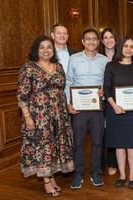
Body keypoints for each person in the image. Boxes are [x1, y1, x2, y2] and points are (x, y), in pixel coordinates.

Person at [18, 36, 74, 197]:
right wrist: (27, 117)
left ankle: (51, 177)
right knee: (44, 147)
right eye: (42, 47)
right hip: (40, 116)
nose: (46, 50)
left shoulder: (58, 66)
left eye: (49, 47)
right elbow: (22, 96)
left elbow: (62, 88)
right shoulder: (28, 68)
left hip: (59, 115)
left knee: (55, 145)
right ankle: (47, 181)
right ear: (36, 49)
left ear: (53, 50)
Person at [65, 28, 108, 189]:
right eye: (87, 39)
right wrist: (68, 103)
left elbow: (107, 82)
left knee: (98, 142)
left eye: (94, 39)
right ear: (83, 42)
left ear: (98, 42)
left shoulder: (104, 60)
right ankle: (78, 173)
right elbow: (69, 82)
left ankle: (96, 172)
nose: (91, 41)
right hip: (78, 109)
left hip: (97, 107)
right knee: (78, 142)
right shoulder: (74, 59)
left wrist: (103, 91)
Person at [104, 36, 133, 189]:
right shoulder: (111, 66)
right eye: (126, 46)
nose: (128, 49)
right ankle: (122, 175)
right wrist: (114, 105)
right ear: (120, 47)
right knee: (120, 145)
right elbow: (107, 88)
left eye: (131, 46)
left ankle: (132, 176)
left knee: (132, 145)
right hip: (116, 111)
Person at [98, 28, 118, 176]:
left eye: (111, 37)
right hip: (100, 100)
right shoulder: (97, 57)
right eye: (105, 37)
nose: (109, 40)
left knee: (113, 131)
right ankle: (99, 163)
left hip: (117, 100)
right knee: (101, 132)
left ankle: (112, 163)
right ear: (102, 40)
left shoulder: (121, 56)